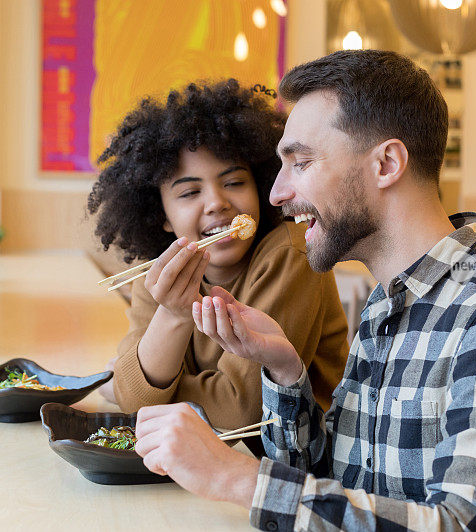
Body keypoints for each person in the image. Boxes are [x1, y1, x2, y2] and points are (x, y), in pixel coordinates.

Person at [130, 51, 476, 532]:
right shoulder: (389, 303)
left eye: (302, 163)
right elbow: (344, 490)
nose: (277, 193)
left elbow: (468, 524)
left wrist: (237, 478)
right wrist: (286, 370)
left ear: (386, 164)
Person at [87, 79, 350, 431]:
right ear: (161, 215)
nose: (216, 203)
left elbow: (239, 413)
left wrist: (132, 390)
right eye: (189, 192)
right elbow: (138, 400)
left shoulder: (291, 252)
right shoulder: (161, 274)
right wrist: (174, 314)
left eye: (234, 183)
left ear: (260, 184)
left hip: (299, 460)